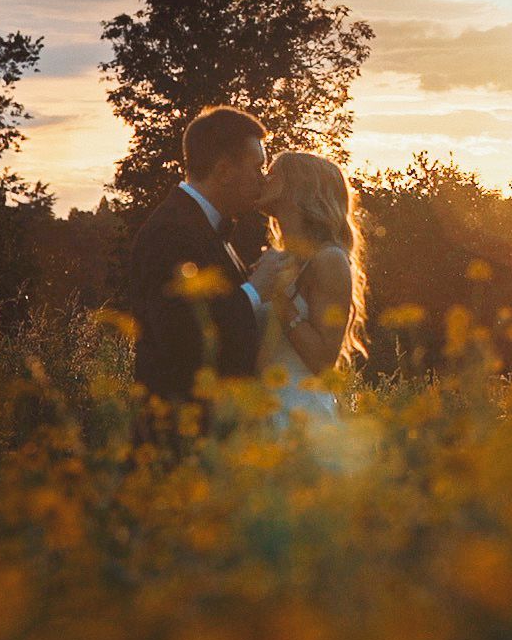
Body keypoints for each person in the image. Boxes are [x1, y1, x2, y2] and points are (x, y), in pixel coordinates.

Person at [129, 106, 288, 407]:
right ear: (224, 171)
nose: (262, 180)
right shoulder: (170, 231)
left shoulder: (204, 225)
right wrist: (255, 290)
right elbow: (181, 335)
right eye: (257, 168)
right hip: (178, 430)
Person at [255, 151, 368, 430]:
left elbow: (323, 361)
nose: (263, 178)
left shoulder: (329, 259)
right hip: (264, 416)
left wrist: (279, 298)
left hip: (302, 417)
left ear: (299, 188)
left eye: (274, 173)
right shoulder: (281, 259)